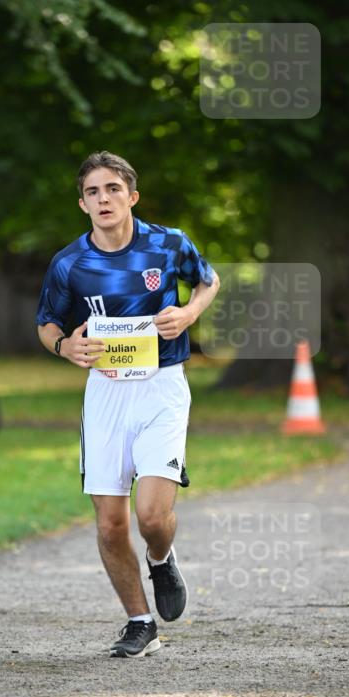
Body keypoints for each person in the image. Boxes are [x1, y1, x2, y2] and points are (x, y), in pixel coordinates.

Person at [36, 151, 220, 658]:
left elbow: (209, 280)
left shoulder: (168, 243)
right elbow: (48, 323)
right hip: (106, 395)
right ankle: (140, 623)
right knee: (111, 522)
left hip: (162, 386)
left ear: (131, 196)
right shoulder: (70, 263)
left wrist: (188, 313)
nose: (104, 199)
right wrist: (64, 347)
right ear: (82, 204)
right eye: (93, 192)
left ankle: (161, 559)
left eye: (113, 189)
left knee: (151, 517)